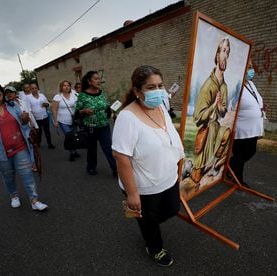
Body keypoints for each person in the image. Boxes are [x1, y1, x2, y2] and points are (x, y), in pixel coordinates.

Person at [112, 65, 184, 267]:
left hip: (168, 177)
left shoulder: (160, 106)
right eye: (151, 87)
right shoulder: (127, 118)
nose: (158, 91)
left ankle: (146, 222)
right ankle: (154, 247)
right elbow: (121, 157)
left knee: (171, 209)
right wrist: (132, 194)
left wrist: (178, 166)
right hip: (144, 186)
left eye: (160, 85)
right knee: (149, 220)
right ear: (137, 91)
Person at [0, 80, 48, 211]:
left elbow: (22, 124)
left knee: (27, 174)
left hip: (20, 147)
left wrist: (24, 119)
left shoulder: (11, 106)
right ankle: (14, 195)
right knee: (8, 176)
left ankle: (34, 200)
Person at [190, 37, 231, 187]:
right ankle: (194, 168)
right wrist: (214, 105)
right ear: (217, 54)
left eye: (227, 52)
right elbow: (198, 117)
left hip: (216, 127)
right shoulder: (208, 85)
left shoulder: (224, 86)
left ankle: (213, 165)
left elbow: (223, 112)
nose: (225, 55)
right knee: (195, 178)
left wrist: (220, 106)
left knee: (227, 134)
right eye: (223, 51)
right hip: (207, 130)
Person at [229, 59, 266, 188]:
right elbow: (230, 106)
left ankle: (231, 171)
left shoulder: (250, 84)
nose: (252, 70)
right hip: (241, 128)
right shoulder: (235, 85)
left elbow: (255, 98)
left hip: (253, 128)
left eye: (251, 66)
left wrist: (260, 107)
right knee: (242, 154)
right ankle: (237, 178)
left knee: (251, 151)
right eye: (249, 67)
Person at [75, 71, 117, 176]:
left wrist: (111, 111)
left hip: (104, 126)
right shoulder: (82, 95)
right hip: (90, 127)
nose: (99, 81)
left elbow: (106, 106)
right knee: (92, 148)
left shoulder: (102, 92)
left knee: (108, 148)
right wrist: (84, 111)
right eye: (96, 79)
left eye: (99, 79)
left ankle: (116, 169)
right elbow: (76, 113)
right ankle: (91, 167)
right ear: (89, 81)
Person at [51, 80, 80, 161]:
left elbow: (79, 105)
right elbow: (54, 109)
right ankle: (71, 153)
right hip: (63, 121)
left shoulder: (74, 95)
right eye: (64, 85)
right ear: (61, 87)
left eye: (68, 85)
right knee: (69, 136)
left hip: (74, 120)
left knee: (74, 136)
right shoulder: (57, 97)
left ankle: (75, 151)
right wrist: (55, 121)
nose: (66, 87)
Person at [25, 83, 55, 149]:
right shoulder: (28, 98)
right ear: (30, 89)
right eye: (32, 88)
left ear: (37, 88)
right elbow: (29, 109)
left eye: (35, 88)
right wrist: (31, 120)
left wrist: (46, 104)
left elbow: (48, 104)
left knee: (47, 131)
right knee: (39, 132)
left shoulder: (42, 95)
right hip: (36, 118)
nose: (34, 89)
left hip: (45, 116)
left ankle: (49, 144)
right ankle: (38, 143)